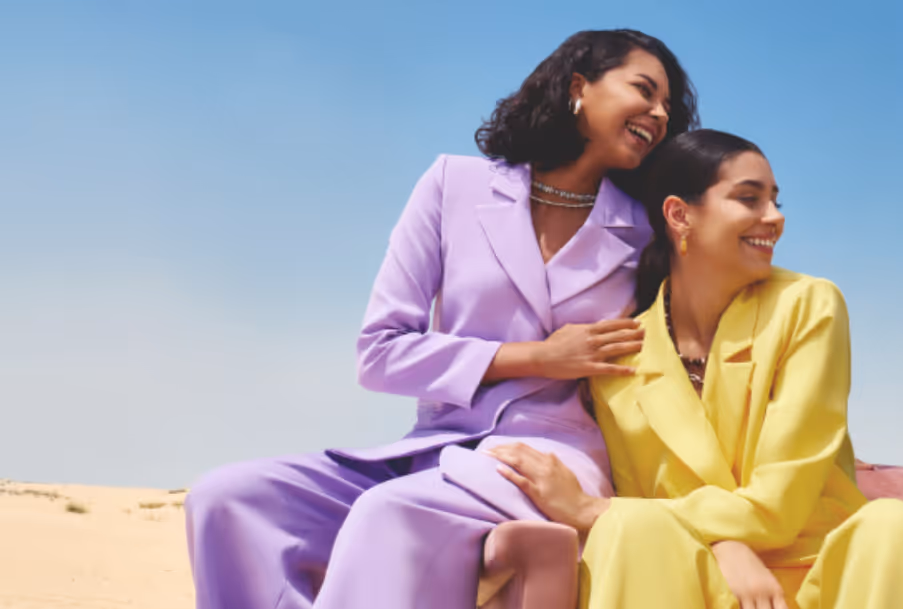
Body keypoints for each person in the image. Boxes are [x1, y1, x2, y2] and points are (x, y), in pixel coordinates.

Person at [184, 29, 698, 609]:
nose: (660, 113)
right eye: (644, 90)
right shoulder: (454, 184)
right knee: (226, 497)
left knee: (392, 512)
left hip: (551, 459)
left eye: (668, 106)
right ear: (579, 87)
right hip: (433, 448)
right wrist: (539, 357)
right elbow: (380, 354)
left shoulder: (649, 232)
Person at [487, 129, 903, 609]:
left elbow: (779, 504)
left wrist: (593, 509)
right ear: (680, 215)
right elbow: (646, 510)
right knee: (631, 526)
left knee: (896, 527)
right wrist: (723, 545)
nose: (774, 218)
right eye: (749, 199)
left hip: (828, 581)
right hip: (696, 584)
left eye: (775, 201)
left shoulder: (808, 306)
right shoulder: (622, 357)